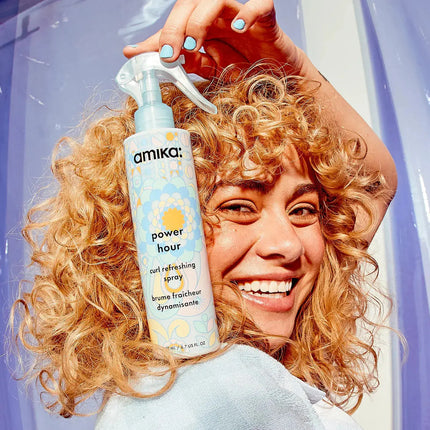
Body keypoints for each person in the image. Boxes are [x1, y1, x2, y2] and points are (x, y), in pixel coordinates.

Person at [11, 0, 397, 428]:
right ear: (140, 242)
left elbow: (374, 182)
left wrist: (285, 68)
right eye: (238, 207)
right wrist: (293, 72)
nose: (287, 244)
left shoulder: (177, 388)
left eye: (303, 209)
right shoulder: (228, 392)